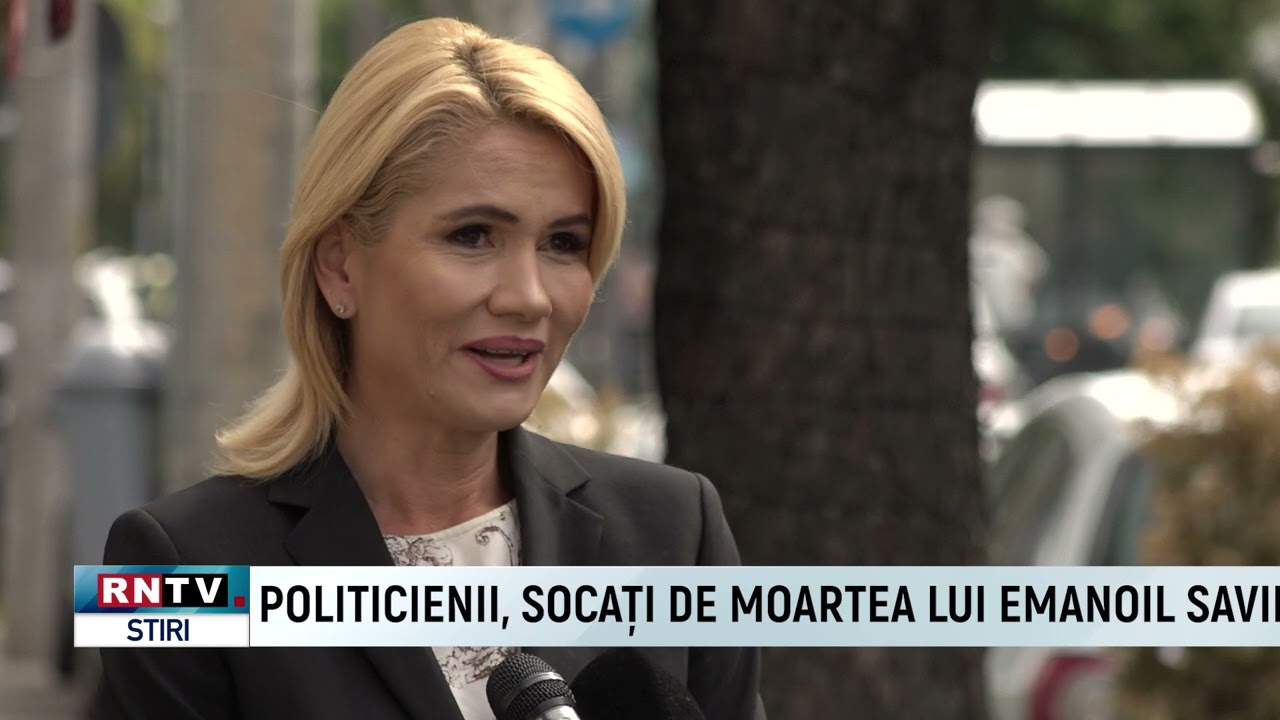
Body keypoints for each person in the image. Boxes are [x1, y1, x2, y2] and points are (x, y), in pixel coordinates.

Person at [91, 17, 763, 720]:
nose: (529, 297)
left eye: (564, 243)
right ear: (339, 264)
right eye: (473, 236)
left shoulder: (677, 532)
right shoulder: (169, 569)